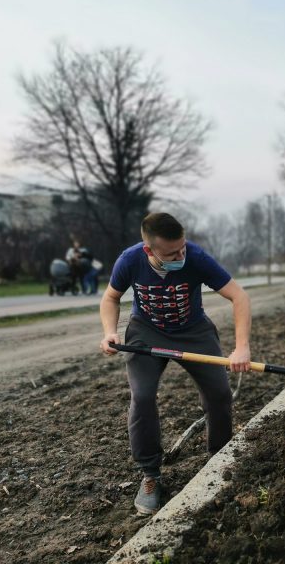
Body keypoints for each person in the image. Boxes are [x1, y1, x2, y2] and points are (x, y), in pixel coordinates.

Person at [99, 212, 252, 515]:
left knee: (220, 394)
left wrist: (242, 348)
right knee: (141, 397)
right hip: (146, 332)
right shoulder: (130, 260)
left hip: (193, 331)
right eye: (172, 253)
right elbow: (111, 298)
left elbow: (239, 296)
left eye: (182, 248)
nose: (180, 256)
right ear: (149, 250)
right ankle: (150, 476)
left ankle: (218, 458)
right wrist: (109, 332)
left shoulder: (195, 257)